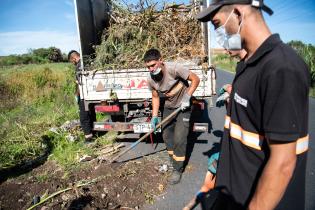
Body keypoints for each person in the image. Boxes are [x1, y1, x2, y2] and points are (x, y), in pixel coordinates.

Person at [197, 1, 310, 209]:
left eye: (216, 24)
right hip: (232, 195)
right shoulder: (247, 66)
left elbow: (282, 164)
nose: (217, 33)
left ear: (238, 14)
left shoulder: (281, 69)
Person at [144, 48, 200, 185]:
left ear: (160, 60)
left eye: (153, 65)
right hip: (169, 107)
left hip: (184, 106)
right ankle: (174, 159)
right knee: (167, 136)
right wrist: (155, 116)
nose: (151, 69)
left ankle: (177, 170)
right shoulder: (150, 80)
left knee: (179, 138)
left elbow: (195, 79)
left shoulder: (174, 69)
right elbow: (155, 97)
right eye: (148, 67)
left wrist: (187, 97)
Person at [68, 50, 96, 142]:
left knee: (84, 116)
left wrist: (78, 95)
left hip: (84, 94)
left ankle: (88, 137)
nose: (73, 63)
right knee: (91, 113)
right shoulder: (87, 62)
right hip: (91, 93)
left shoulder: (79, 66)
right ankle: (94, 132)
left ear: (74, 58)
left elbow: (80, 83)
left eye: (72, 61)